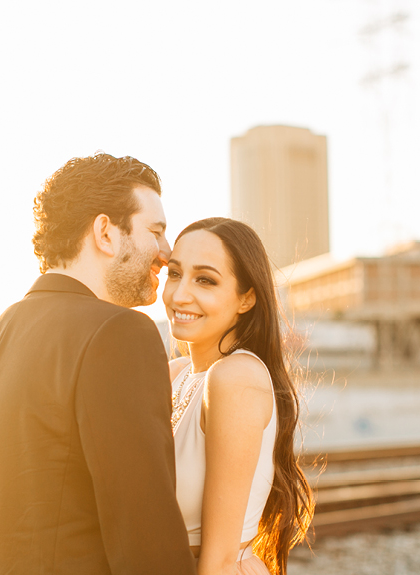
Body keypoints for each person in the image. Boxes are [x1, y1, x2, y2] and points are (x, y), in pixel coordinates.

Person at [0, 153, 197, 575]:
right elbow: (145, 538)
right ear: (106, 232)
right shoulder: (120, 334)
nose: (166, 252)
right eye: (156, 231)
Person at [163, 217, 315, 575]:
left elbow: (217, 561)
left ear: (246, 298)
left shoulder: (235, 377)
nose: (180, 294)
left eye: (205, 280)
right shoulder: (174, 374)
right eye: (173, 274)